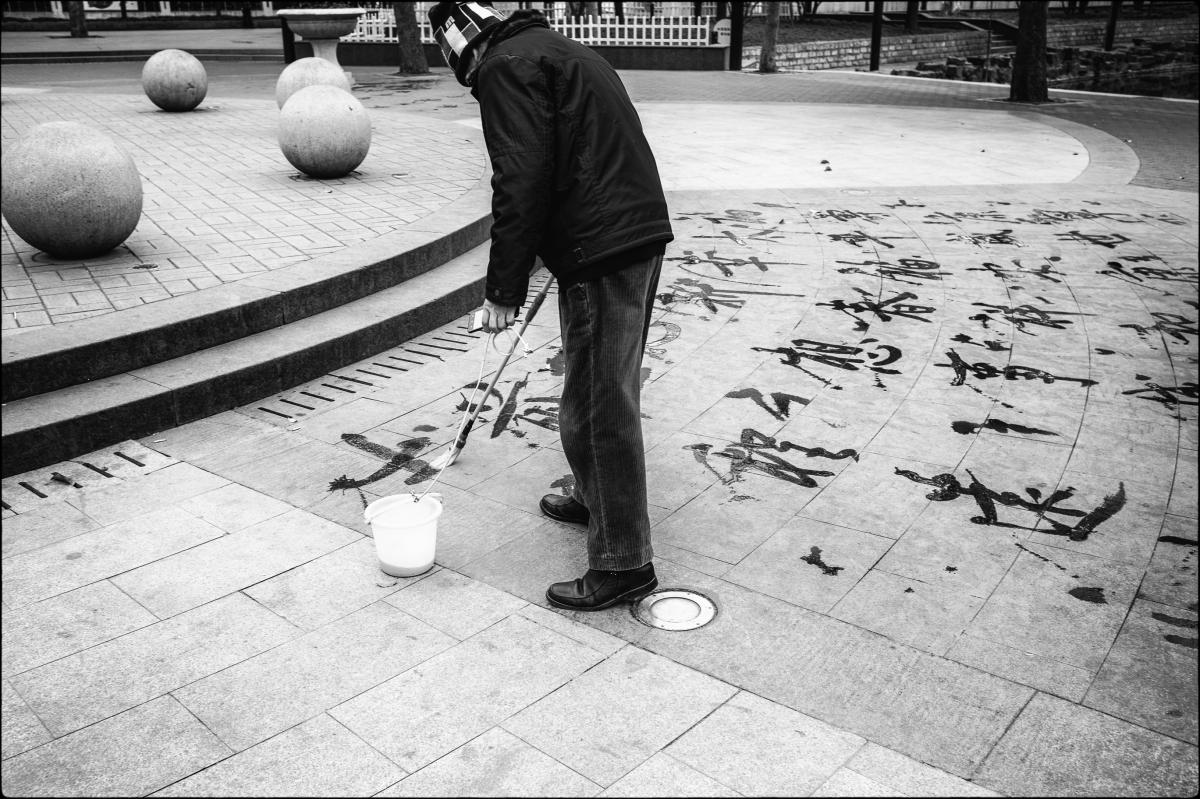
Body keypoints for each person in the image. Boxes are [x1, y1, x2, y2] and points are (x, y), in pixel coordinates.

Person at [427, 1, 674, 611]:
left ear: (466, 54)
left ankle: (624, 561)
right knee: (598, 390)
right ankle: (599, 500)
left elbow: (521, 176)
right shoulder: (556, 47)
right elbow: (569, 153)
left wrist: (503, 288)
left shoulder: (504, 68)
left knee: (598, 404)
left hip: (603, 246)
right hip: (634, 232)